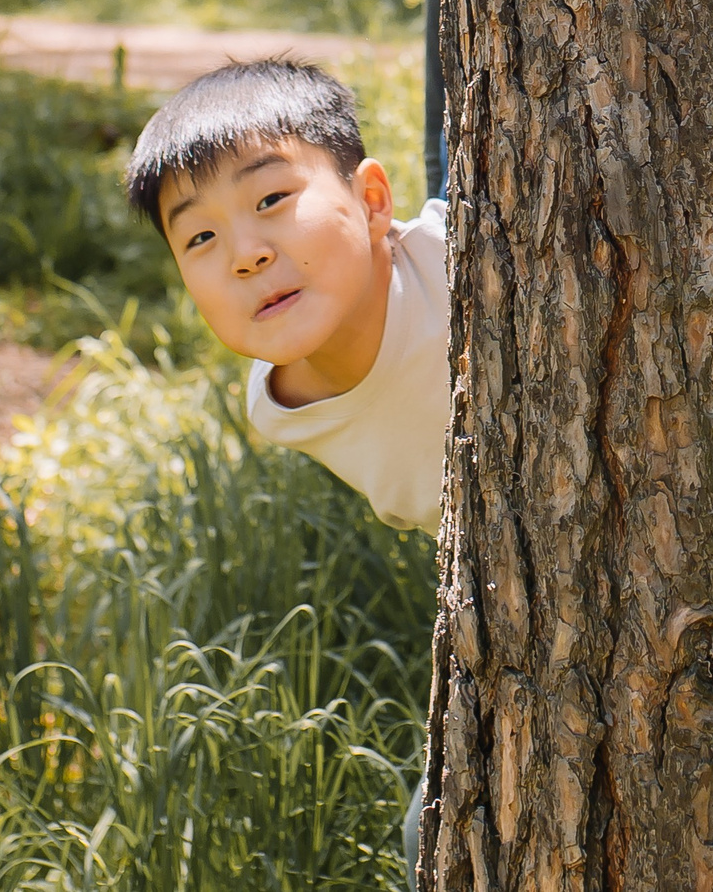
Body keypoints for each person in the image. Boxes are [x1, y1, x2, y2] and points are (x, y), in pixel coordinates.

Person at [124, 59, 444, 869]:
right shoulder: (279, 409)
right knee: (428, 837)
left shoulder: (457, 254)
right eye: (200, 237)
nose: (246, 254)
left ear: (373, 202)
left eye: (272, 200)